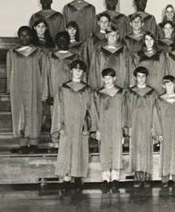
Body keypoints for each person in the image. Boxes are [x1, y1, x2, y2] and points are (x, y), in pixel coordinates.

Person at [54, 60, 92, 189]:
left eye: (80, 70)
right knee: (66, 149)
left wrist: (87, 125)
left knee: (80, 149)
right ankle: (66, 177)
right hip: (67, 123)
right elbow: (59, 107)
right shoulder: (63, 88)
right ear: (71, 71)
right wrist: (60, 124)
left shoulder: (87, 89)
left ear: (83, 72)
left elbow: (90, 109)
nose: (78, 72)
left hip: (81, 123)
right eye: (75, 69)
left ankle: (77, 176)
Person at [7, 26, 45, 153]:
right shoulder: (12, 52)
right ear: (18, 36)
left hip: (35, 86)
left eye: (27, 35)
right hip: (18, 87)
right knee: (20, 112)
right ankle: (22, 143)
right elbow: (9, 70)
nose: (24, 37)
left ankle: (34, 143)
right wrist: (9, 88)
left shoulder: (38, 51)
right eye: (21, 35)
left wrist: (44, 89)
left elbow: (43, 71)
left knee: (34, 112)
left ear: (31, 36)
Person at [91, 68, 127, 192]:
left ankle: (115, 179)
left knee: (117, 150)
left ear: (114, 78)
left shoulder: (121, 93)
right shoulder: (98, 93)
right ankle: (105, 179)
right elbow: (94, 112)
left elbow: (124, 111)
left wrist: (123, 128)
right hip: (103, 125)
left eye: (110, 77)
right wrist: (97, 129)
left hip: (117, 125)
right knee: (104, 151)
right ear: (102, 79)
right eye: (105, 77)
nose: (108, 80)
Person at [42, 32, 81, 147]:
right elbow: (46, 74)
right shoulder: (50, 56)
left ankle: (69, 140)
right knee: (56, 115)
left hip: (72, 91)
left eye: (65, 39)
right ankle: (56, 140)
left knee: (70, 115)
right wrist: (47, 93)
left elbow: (81, 74)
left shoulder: (76, 55)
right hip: (55, 90)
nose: (62, 42)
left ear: (69, 41)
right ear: (56, 42)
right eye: (60, 40)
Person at [126, 66, 161, 187]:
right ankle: (137, 177)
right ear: (135, 78)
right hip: (135, 124)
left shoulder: (152, 92)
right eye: (139, 76)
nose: (141, 79)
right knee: (135, 149)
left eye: (143, 76)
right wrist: (129, 126)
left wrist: (153, 126)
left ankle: (147, 177)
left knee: (146, 149)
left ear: (146, 77)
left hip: (147, 123)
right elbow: (127, 110)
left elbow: (156, 110)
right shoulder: (130, 92)